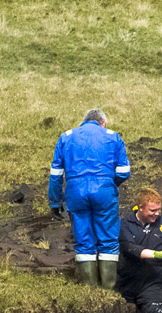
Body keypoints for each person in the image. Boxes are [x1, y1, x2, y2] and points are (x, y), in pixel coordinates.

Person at [48, 108, 130, 288]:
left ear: (84, 122)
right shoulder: (113, 137)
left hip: (75, 192)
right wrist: (109, 184)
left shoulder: (66, 137)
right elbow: (124, 172)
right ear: (103, 123)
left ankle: (89, 289)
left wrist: (55, 202)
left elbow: (55, 175)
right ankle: (108, 287)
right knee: (108, 239)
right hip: (104, 192)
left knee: (83, 239)